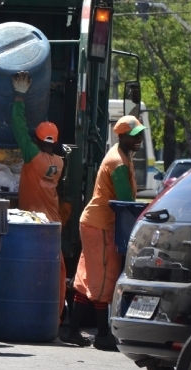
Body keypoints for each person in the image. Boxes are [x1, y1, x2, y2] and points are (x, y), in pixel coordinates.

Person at [60, 115, 146, 350]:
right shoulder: (118, 162)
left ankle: (73, 331)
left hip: (93, 223)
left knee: (87, 277)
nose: (139, 138)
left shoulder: (121, 156)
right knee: (105, 278)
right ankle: (102, 335)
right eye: (134, 135)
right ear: (122, 136)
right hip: (102, 225)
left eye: (140, 134)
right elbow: (126, 200)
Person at [9, 71, 67, 312]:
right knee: (54, 270)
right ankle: (56, 313)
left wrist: (19, 97)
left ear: (37, 139)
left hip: (34, 224)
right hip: (52, 223)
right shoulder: (59, 163)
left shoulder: (34, 157)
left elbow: (18, 128)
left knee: (30, 270)